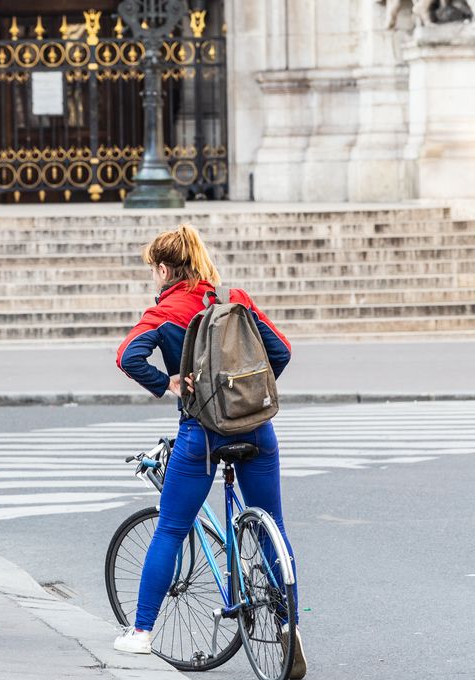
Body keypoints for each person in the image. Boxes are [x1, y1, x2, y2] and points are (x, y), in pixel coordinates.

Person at [111, 224, 306, 679]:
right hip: (256, 428)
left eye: (154, 270)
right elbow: (281, 351)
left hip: (201, 433)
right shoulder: (234, 299)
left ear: (164, 269)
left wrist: (168, 383)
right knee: (273, 527)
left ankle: (141, 632)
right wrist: (245, 392)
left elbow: (127, 356)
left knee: (171, 527)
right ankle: (288, 624)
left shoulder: (164, 311)